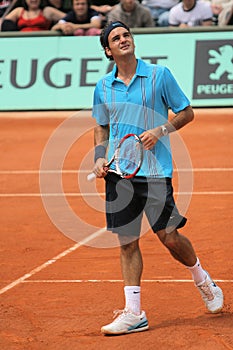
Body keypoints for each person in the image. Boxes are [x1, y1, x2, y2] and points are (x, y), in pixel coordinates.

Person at [91, 21, 224, 335]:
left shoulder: (158, 76)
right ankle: (134, 312)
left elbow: (186, 111)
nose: (124, 40)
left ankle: (202, 279)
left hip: (154, 173)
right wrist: (99, 156)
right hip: (119, 174)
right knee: (127, 243)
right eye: (116, 38)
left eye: (126, 35)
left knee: (169, 238)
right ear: (108, 51)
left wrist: (161, 130)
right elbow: (101, 125)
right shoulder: (103, 86)